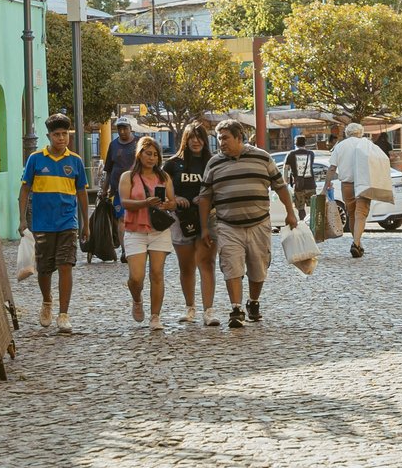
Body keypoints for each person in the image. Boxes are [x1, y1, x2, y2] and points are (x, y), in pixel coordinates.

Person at [199, 119, 299, 330]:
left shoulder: (262, 157)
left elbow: (280, 187)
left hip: (259, 223)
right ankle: (236, 309)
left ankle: (253, 302)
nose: (221, 143)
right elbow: (205, 197)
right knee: (231, 266)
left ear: (239, 137)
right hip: (227, 225)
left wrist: (290, 212)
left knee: (258, 268)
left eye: (225, 138)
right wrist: (204, 227)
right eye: (219, 139)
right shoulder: (214, 163)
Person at [19, 115, 87, 332]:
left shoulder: (75, 161)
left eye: (64, 134)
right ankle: (47, 302)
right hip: (42, 223)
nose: (61, 138)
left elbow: (82, 192)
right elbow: (24, 189)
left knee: (66, 265)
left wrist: (86, 222)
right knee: (45, 268)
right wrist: (22, 219)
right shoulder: (36, 159)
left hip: (68, 222)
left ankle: (63, 314)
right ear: (49, 136)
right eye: (57, 134)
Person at [118, 135, 177, 330]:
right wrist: (145, 202)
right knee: (136, 277)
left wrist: (168, 204)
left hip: (158, 230)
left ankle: (155, 316)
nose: (151, 158)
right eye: (148, 153)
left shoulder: (163, 177)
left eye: (155, 155)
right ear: (139, 154)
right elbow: (124, 202)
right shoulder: (128, 177)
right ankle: (137, 299)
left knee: (157, 273)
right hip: (135, 230)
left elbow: (172, 202)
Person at [166, 122, 220, 326]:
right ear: (185, 140)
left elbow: (221, 188)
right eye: (192, 137)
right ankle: (190, 308)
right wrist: (176, 197)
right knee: (186, 265)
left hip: (209, 218)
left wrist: (207, 199)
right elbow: (163, 187)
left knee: (207, 263)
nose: (196, 141)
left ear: (205, 140)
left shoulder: (214, 162)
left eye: (200, 137)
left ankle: (209, 310)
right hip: (181, 220)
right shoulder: (173, 163)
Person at [328, 121, 396, 259]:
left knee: (352, 214)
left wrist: (326, 187)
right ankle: (356, 243)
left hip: (346, 185)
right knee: (361, 214)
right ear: (361, 133)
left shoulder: (340, 146)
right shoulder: (367, 145)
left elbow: (332, 168)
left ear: (347, 133)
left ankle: (357, 243)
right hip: (364, 183)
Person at [97, 118, 141, 262]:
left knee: (138, 218)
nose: (122, 131)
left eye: (125, 128)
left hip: (138, 188)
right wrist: (105, 189)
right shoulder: (113, 145)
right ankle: (125, 250)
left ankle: (138, 247)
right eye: (119, 129)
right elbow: (109, 169)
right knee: (122, 218)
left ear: (130, 128)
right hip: (117, 190)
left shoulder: (139, 143)